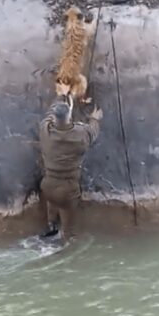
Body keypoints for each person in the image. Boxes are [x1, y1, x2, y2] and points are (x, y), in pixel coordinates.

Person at [38, 95, 103, 242]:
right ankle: (65, 246)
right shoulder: (81, 135)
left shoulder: (45, 131)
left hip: (48, 186)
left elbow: (49, 116)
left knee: (53, 202)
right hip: (67, 190)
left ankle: (51, 225)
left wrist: (59, 99)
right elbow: (93, 131)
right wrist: (95, 118)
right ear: (70, 116)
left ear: (54, 118)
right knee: (68, 229)